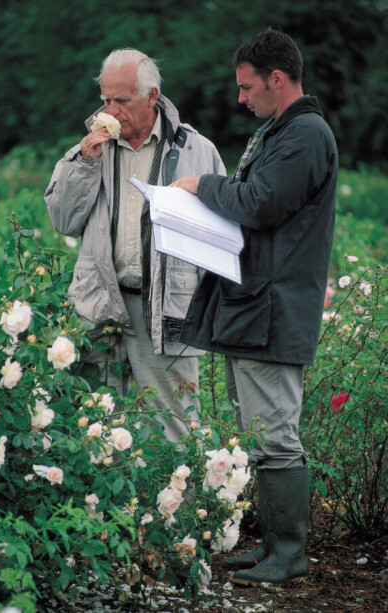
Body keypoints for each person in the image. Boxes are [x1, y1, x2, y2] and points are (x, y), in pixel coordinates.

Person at [170, 29, 338, 586]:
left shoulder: (306, 135)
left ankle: (289, 553)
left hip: (276, 309)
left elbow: (261, 203)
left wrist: (202, 187)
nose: (241, 99)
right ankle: (273, 547)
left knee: (276, 436)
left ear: (277, 79)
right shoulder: (279, 131)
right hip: (256, 306)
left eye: (248, 88)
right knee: (260, 433)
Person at [45, 49, 226, 442]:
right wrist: (84, 165)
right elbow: (63, 220)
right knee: (97, 424)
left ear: (151, 96)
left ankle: (184, 504)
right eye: (106, 100)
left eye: (121, 100)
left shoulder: (197, 150)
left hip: (165, 307)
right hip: (101, 304)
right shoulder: (89, 150)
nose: (110, 110)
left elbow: (220, 235)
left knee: (173, 428)